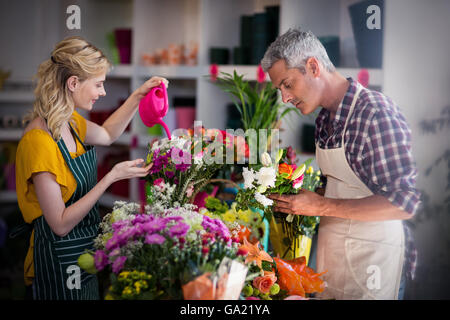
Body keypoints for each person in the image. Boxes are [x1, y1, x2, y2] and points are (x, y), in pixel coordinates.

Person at [262, 29, 420, 300]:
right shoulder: (324, 119)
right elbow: (344, 188)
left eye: (287, 84)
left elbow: (404, 202)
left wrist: (321, 205)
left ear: (313, 66)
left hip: (375, 264)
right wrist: (297, 200)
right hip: (334, 258)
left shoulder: (374, 113)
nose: (285, 98)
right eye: (280, 89)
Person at [14, 36, 168, 300]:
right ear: (73, 83)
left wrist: (137, 96)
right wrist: (111, 178)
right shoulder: (38, 141)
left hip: (84, 257)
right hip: (56, 264)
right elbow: (60, 224)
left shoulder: (70, 122)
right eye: (98, 84)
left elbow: (108, 134)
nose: (103, 92)